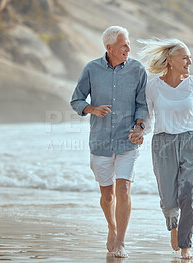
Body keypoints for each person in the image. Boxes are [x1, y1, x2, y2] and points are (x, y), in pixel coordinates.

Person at [137, 38, 193, 259]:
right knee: (168, 198)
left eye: (190, 58)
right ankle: (173, 225)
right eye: (184, 57)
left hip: (192, 142)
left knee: (189, 195)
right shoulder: (153, 86)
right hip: (163, 143)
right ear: (170, 60)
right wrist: (140, 131)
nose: (189, 62)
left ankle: (186, 246)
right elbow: (147, 116)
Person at [70, 26, 148, 258]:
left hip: (128, 141)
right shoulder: (91, 69)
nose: (128, 48)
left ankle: (121, 241)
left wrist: (140, 127)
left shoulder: (137, 69)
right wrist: (92, 108)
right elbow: (76, 99)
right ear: (109, 48)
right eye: (123, 45)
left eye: (128, 44)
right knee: (108, 195)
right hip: (101, 141)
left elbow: (142, 104)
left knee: (123, 188)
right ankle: (112, 227)